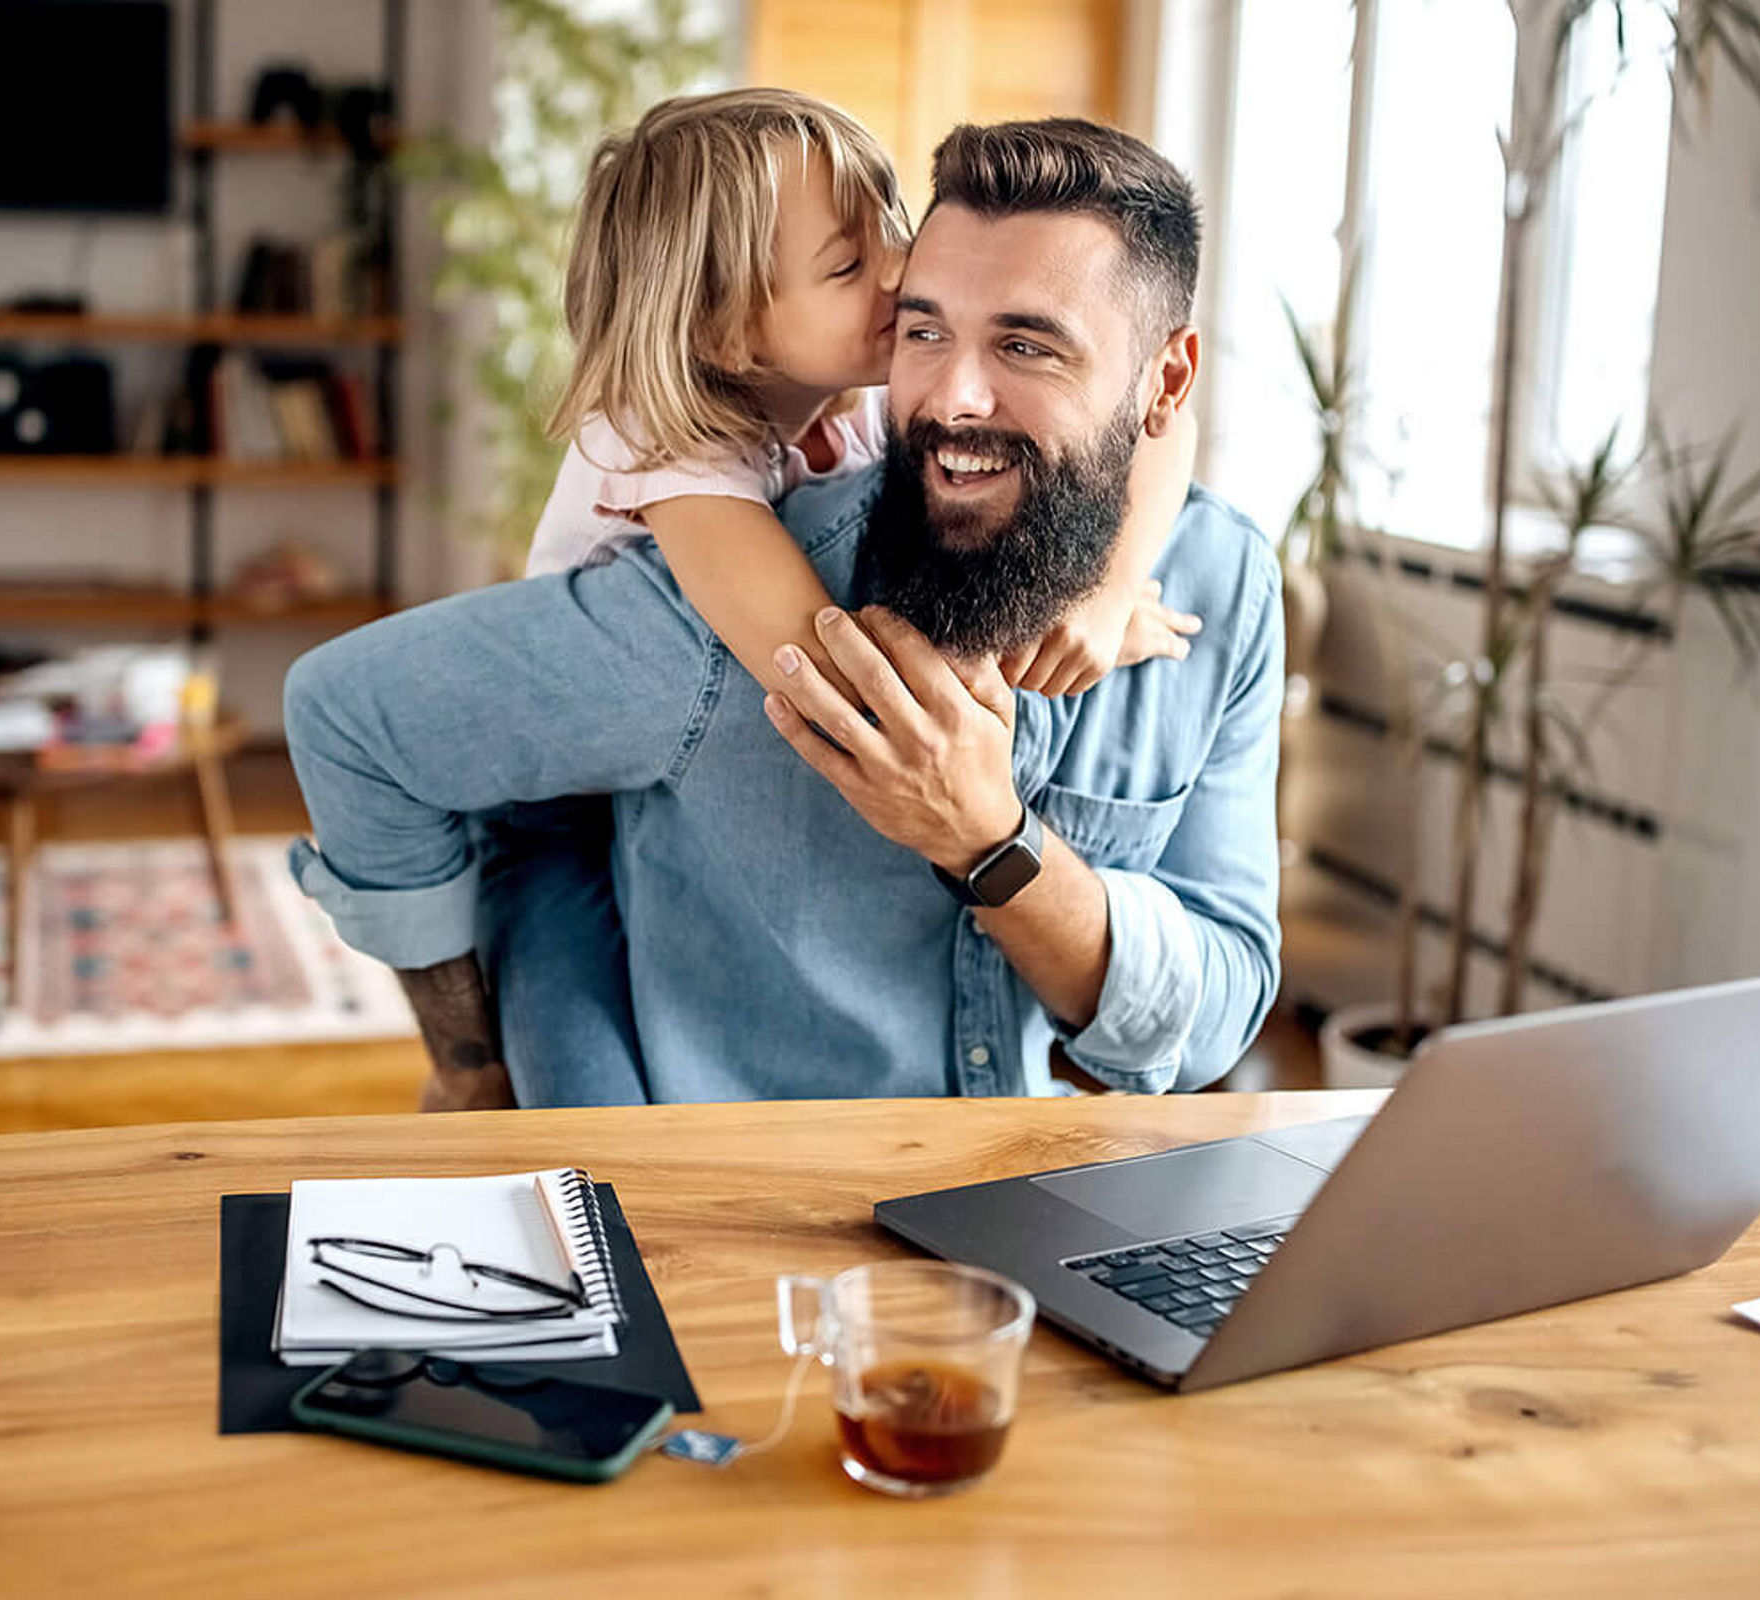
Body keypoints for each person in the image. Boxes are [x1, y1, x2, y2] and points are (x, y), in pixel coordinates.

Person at [286, 115, 1283, 1107]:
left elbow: (1215, 1019)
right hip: (586, 918)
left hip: (1033, 1201)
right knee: (575, 1105)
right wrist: (467, 1062)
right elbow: (350, 715)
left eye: (1025, 344)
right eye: (924, 326)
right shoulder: (708, 538)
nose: (950, 393)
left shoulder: (1217, 584)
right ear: (730, 330)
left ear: (1164, 374)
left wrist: (1103, 596)